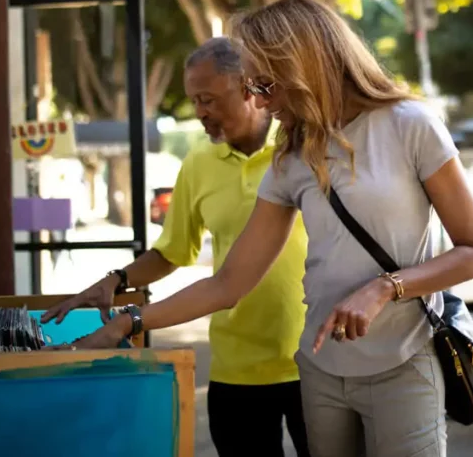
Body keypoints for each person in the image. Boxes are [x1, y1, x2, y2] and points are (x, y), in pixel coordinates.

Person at [68, 0, 473, 457]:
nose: (263, 105)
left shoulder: (411, 125)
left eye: (266, 85)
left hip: (406, 364)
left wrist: (385, 288)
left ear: (305, 65)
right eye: (253, 87)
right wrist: (127, 323)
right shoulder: (291, 157)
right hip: (322, 372)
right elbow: (229, 283)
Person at [42, 38, 311, 457]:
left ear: (249, 88)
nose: (200, 112)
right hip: (237, 370)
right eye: (194, 101)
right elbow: (173, 251)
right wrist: (115, 280)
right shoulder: (199, 164)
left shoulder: (302, 149)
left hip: (316, 363)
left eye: (208, 99)